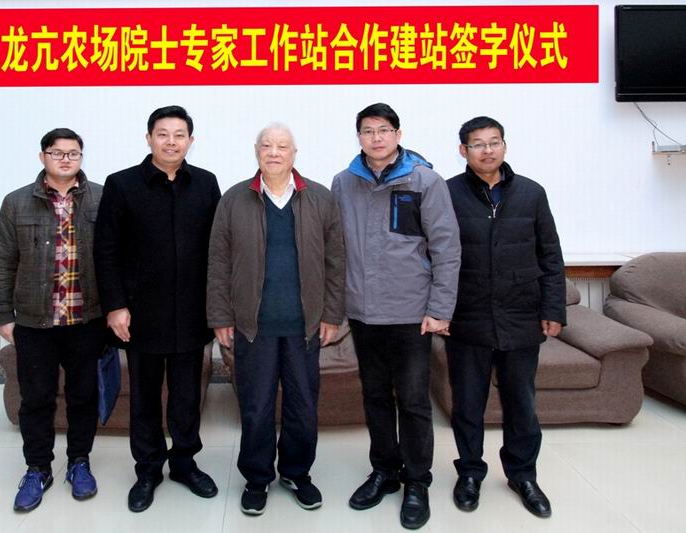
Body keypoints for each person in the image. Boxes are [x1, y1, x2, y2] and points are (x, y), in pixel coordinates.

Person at [332, 103, 460, 530]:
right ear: (359, 137)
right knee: (374, 397)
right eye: (368, 131)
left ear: (398, 134)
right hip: (363, 312)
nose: (376, 138)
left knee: (414, 400)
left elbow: (446, 248)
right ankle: (385, 471)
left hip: (411, 313)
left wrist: (439, 309)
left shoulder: (425, 181)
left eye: (384, 130)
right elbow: (336, 249)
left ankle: (417, 481)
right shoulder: (343, 182)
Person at [207, 124, 345, 516]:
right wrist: (220, 316)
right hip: (253, 327)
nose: (274, 152)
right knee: (256, 406)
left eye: (282, 146)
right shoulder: (235, 199)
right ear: (256, 151)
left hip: (305, 327)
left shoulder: (319, 197)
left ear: (294, 153)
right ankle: (257, 478)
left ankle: (297, 474)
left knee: (303, 406)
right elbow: (218, 262)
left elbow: (336, 260)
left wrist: (332, 314)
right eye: (266, 145)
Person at [93, 105, 221, 512]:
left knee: (186, 397)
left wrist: (218, 309)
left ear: (191, 141)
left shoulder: (205, 184)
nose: (171, 142)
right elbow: (106, 251)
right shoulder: (122, 184)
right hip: (140, 315)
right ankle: (148, 470)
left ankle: (184, 464)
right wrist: (115, 306)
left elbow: (218, 250)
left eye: (179, 135)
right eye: (162, 134)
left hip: (192, 313)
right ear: (148, 138)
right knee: (144, 398)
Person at [445, 116, 566, 519]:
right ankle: (470, 473)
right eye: (478, 144)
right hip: (468, 317)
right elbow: (435, 255)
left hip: (520, 316)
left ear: (504, 146)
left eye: (494, 142)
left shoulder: (531, 193)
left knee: (521, 404)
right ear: (463, 151)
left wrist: (552, 308)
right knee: (467, 404)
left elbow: (551, 255)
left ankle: (523, 475)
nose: (487, 150)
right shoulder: (448, 193)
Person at [0, 128, 104, 512]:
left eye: (73, 153)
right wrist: (3, 314)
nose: (65, 159)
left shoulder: (101, 198)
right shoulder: (16, 202)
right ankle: (37, 468)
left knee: (83, 396)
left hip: (86, 319)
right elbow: (2, 262)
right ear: (43, 157)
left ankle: (79, 462)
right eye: (57, 153)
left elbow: (116, 257)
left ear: (81, 157)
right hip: (35, 321)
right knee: (36, 398)